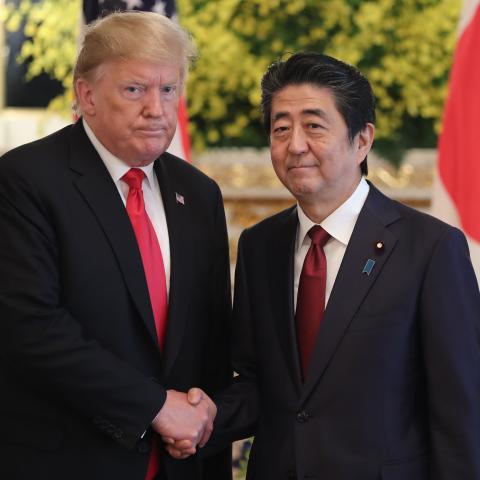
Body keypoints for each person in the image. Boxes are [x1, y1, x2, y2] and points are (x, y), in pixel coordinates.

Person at [168, 52, 480, 478]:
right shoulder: (260, 247)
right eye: (281, 129)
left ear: (362, 140)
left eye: (314, 126)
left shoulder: (430, 248)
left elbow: (460, 409)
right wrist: (199, 418)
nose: (295, 145)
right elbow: (260, 383)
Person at [0, 11, 232, 480]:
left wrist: (202, 426)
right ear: (86, 95)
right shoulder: (24, 180)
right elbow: (31, 328)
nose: (157, 108)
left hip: (180, 463)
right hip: (68, 461)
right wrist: (154, 407)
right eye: (135, 90)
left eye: (169, 90)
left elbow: (210, 341)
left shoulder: (199, 193)